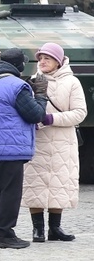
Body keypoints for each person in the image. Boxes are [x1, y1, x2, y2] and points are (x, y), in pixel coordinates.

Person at [0, 48, 48, 249]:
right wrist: (41, 95)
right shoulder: (17, 86)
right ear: (18, 65)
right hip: (10, 147)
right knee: (11, 192)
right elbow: (35, 115)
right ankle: (5, 234)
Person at [21, 43, 87, 243]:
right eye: (40, 58)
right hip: (38, 141)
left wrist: (51, 119)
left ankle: (55, 228)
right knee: (36, 183)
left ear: (58, 61)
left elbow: (79, 113)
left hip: (62, 142)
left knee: (59, 183)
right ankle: (38, 229)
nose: (42, 62)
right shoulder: (32, 81)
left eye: (47, 59)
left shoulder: (72, 82)